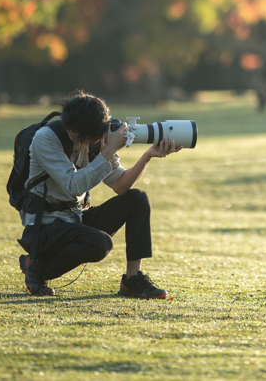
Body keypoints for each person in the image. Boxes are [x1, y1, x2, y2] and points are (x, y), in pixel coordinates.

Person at [17, 89, 181, 298]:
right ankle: (37, 269)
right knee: (101, 244)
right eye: (77, 134)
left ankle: (133, 280)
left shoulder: (98, 137)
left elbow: (120, 185)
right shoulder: (46, 139)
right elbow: (73, 185)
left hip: (73, 219)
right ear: (73, 129)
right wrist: (109, 150)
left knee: (137, 199)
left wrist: (147, 155)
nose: (98, 140)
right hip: (45, 227)